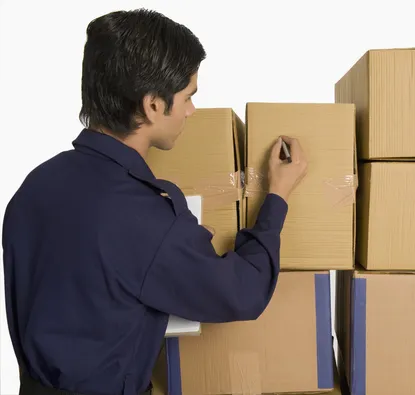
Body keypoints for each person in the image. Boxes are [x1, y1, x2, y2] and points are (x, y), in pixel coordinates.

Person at [2, 8, 308, 395]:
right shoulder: (144, 217)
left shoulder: (35, 185)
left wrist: (171, 246)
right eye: (187, 96)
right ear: (152, 105)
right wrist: (277, 195)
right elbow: (244, 293)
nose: (191, 111)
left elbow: (92, 281)